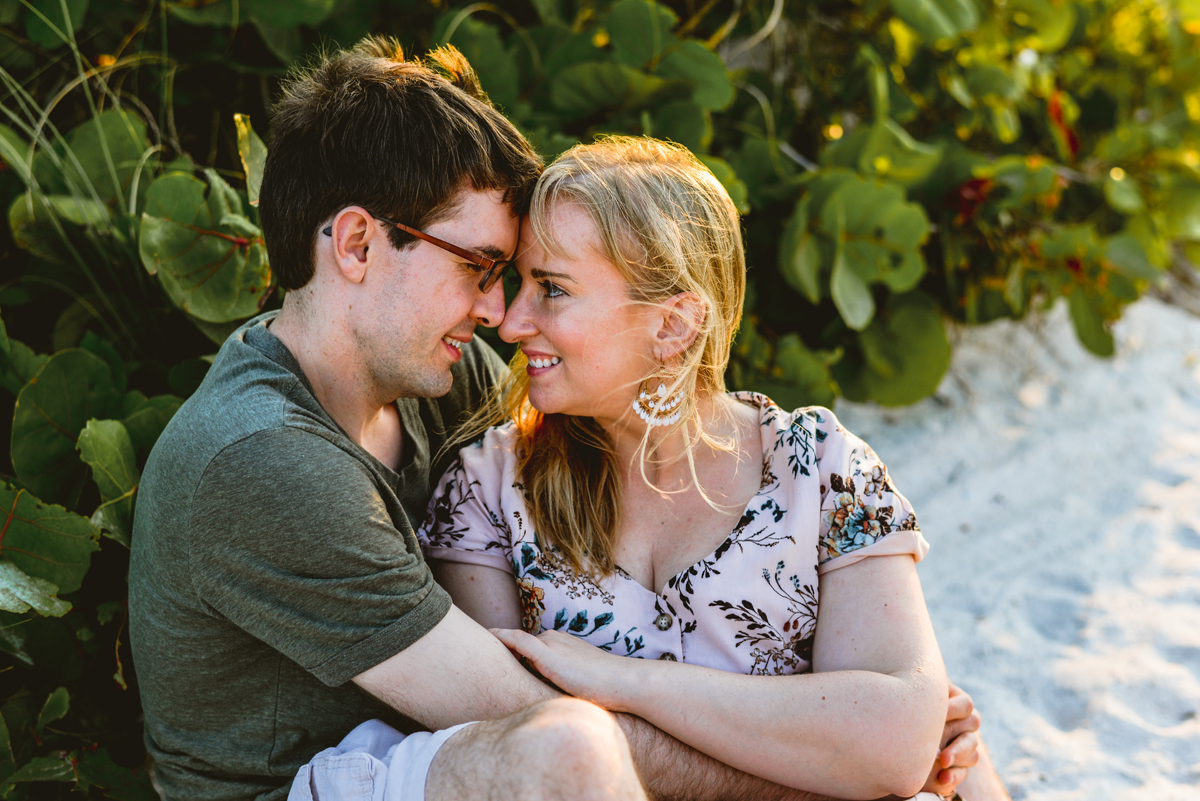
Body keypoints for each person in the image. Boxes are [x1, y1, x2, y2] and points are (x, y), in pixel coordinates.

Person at [128, 37, 985, 801]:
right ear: (356, 245)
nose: (502, 315)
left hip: (442, 757)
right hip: (322, 776)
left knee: (959, 760)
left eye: (531, 279)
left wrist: (896, 734)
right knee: (574, 749)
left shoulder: (437, 375)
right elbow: (534, 713)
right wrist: (855, 764)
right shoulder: (263, 460)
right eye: (480, 265)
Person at [418, 136, 1009, 801]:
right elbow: (509, 735)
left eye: (551, 288)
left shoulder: (817, 469)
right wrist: (831, 745)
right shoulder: (487, 489)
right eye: (520, 281)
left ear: (672, 325)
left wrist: (628, 682)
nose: (511, 321)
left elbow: (895, 742)